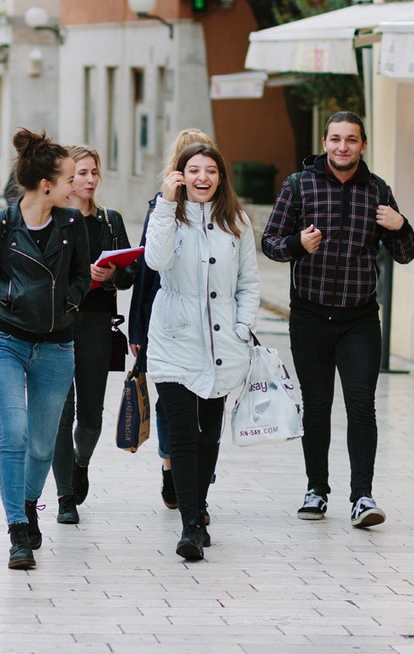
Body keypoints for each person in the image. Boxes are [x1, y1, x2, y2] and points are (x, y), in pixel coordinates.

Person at [262, 111, 414, 528]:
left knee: (361, 405)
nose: (342, 146)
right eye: (335, 139)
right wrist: (298, 244)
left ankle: (362, 496)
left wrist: (401, 226)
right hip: (309, 316)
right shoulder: (299, 185)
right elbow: (270, 243)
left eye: (351, 139)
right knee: (316, 407)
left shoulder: (377, 190)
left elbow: (405, 254)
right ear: (325, 143)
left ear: (363, 145)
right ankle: (316, 490)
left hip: (359, 320)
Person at [0, 128, 89, 570]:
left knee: (41, 447)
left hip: (56, 347)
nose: (77, 186)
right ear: (46, 185)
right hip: (5, 341)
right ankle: (17, 529)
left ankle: (31, 503)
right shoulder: (1, 224)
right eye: (71, 178)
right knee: (14, 434)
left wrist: (68, 302)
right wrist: (9, 293)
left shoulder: (72, 224)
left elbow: (82, 276)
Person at [145, 143, 259, 561]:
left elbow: (248, 283)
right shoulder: (167, 216)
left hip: (222, 342)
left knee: (208, 434)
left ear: (221, 177)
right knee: (182, 434)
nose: (202, 178)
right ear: (180, 175)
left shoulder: (237, 222)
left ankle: (200, 505)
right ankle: (191, 525)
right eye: (193, 170)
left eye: (210, 170)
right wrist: (165, 203)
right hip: (174, 340)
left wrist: (242, 327)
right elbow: (155, 261)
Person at [129, 128, 215, 512]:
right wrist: (138, 329)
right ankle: (171, 467)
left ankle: (194, 483)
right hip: (165, 323)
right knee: (172, 407)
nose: (200, 177)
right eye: (190, 166)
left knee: (205, 410)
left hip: (208, 329)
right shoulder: (161, 209)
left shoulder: (222, 213)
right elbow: (147, 272)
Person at [51, 146, 137, 524]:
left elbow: (131, 274)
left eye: (93, 172)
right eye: (80, 174)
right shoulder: (52, 220)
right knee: (60, 413)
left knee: (90, 416)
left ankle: (80, 463)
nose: (88, 180)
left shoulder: (109, 221)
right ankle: (64, 496)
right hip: (57, 325)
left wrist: (113, 274)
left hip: (98, 324)